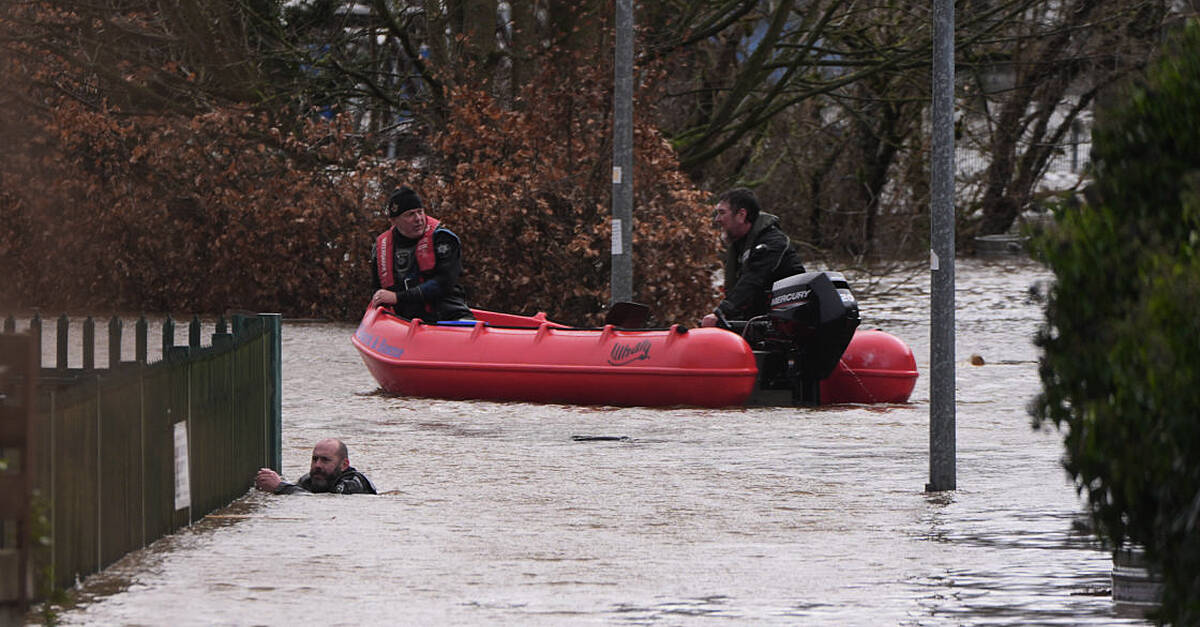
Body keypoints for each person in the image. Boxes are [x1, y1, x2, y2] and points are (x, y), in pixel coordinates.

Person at [701, 188, 807, 327]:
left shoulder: (771, 242)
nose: (717, 219)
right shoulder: (740, 244)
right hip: (757, 318)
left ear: (741, 215)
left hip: (785, 324)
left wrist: (722, 312)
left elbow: (753, 279)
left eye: (722, 213)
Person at [369, 186, 473, 322]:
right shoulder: (380, 249)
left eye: (420, 212)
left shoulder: (443, 239)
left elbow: (444, 283)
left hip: (448, 313)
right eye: (410, 214)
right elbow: (378, 289)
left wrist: (397, 297)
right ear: (394, 221)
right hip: (404, 319)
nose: (418, 219)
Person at [254, 438, 377, 495]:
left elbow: (324, 500)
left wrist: (280, 487)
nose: (317, 465)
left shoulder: (354, 483)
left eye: (325, 460)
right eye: (315, 459)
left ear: (344, 465)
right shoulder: (308, 479)